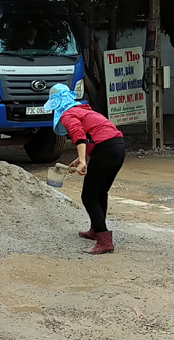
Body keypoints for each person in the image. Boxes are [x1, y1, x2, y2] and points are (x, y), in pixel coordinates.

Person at [44, 84, 125, 254]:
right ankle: (96, 230)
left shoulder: (68, 114)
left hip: (106, 150)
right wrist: (81, 159)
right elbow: (94, 138)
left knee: (89, 196)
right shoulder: (83, 110)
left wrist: (83, 161)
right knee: (100, 193)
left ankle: (104, 240)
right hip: (117, 147)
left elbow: (79, 137)